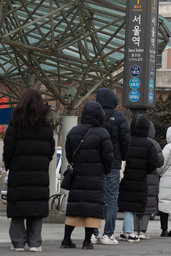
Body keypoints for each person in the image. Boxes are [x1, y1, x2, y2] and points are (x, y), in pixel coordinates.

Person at [3, 88, 55, 252]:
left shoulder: (15, 123)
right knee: (36, 208)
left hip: (19, 171)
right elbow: (50, 149)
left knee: (18, 208)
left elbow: (8, 148)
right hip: (39, 174)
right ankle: (35, 243)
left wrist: (9, 164)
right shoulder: (46, 126)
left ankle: (18, 242)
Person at [62, 101, 113, 250]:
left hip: (78, 175)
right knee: (93, 209)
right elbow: (108, 156)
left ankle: (66, 239)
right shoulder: (102, 133)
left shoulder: (73, 131)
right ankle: (86, 242)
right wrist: (105, 170)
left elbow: (69, 153)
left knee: (74, 208)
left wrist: (76, 163)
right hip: (96, 177)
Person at [94, 88, 130, 246]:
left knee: (95, 197)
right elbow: (125, 140)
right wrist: (122, 157)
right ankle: (108, 234)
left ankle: (92, 233)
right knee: (111, 198)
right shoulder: (119, 116)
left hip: (95, 163)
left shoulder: (94, 115)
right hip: (113, 163)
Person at [117, 114, 160, 242]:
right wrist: (146, 170)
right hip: (141, 177)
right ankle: (130, 232)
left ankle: (125, 231)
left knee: (128, 204)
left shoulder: (127, 141)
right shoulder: (149, 144)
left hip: (127, 177)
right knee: (134, 205)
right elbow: (154, 162)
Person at [134, 121, 164, 239]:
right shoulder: (154, 144)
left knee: (136, 205)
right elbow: (160, 161)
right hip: (151, 177)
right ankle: (143, 231)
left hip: (135, 176)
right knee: (148, 205)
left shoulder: (133, 140)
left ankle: (134, 230)